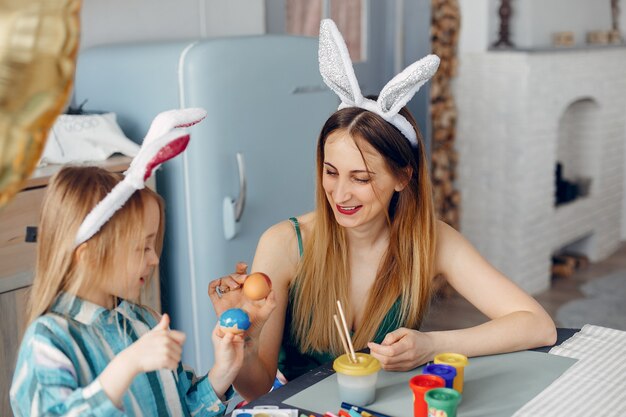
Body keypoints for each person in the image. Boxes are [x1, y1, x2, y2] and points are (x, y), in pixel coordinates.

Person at [208, 19, 557, 401]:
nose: (340, 194)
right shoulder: (284, 244)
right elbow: (257, 388)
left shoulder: (431, 240)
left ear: (402, 177)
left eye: (360, 178)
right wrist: (244, 343)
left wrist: (430, 345)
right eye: (331, 172)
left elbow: (537, 326)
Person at [11, 109, 243, 416]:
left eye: (153, 244)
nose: (155, 258)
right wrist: (126, 365)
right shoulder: (49, 341)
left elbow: (181, 408)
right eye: (141, 247)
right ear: (89, 255)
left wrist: (221, 373)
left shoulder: (141, 322)